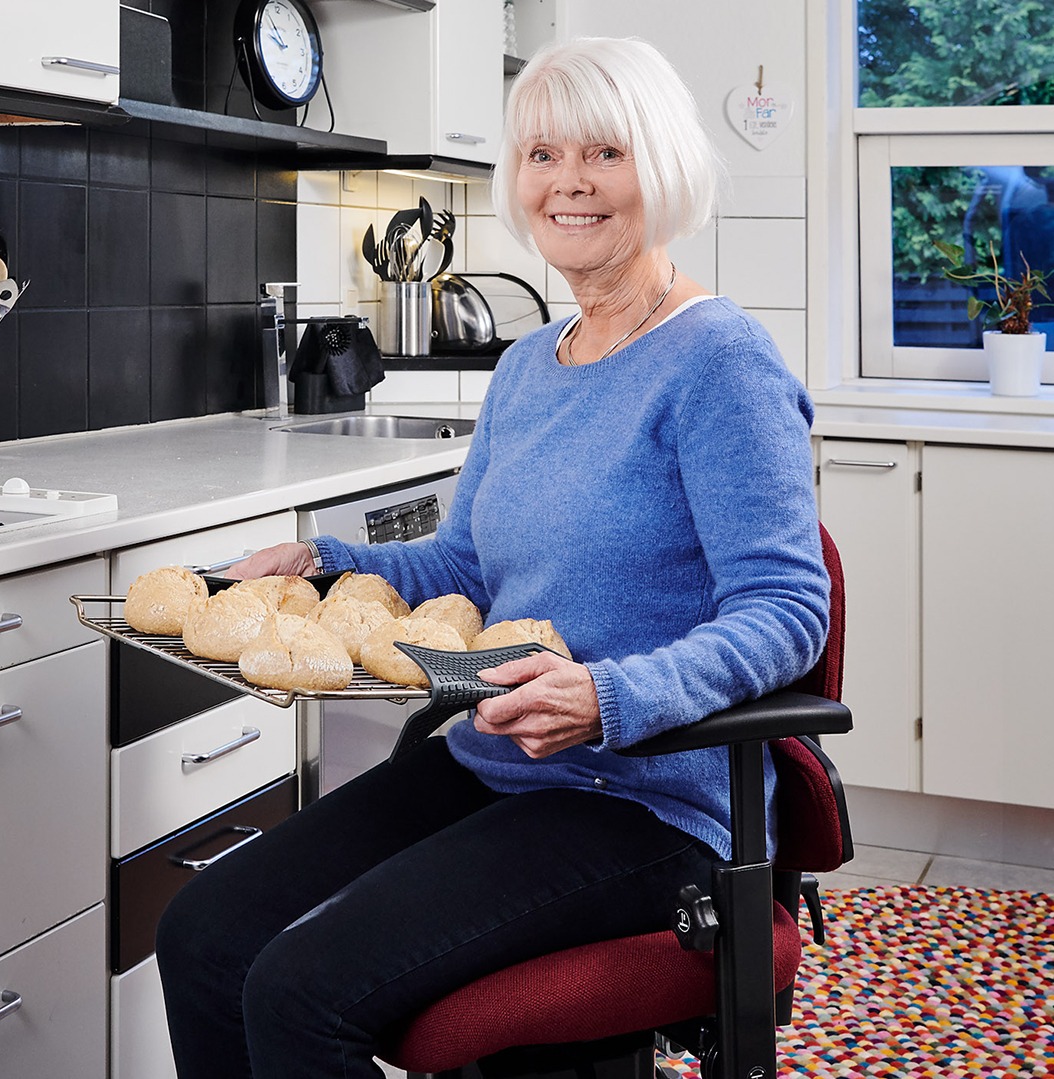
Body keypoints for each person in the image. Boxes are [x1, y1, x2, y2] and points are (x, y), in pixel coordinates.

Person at [155, 36, 830, 1079]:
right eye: (542, 154)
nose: (568, 183)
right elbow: (466, 565)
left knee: (299, 989)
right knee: (202, 931)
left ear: (661, 167)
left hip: (642, 798)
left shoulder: (718, 360)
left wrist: (607, 695)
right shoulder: (529, 363)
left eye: (603, 152)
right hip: (498, 756)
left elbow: (787, 609)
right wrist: (318, 563)